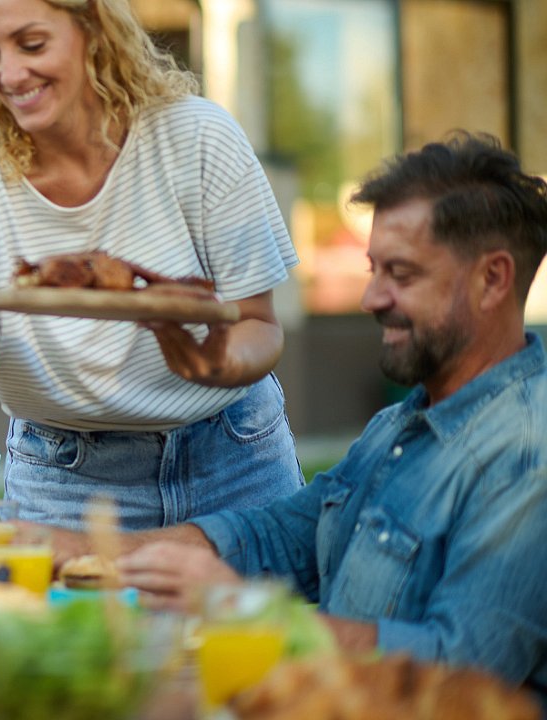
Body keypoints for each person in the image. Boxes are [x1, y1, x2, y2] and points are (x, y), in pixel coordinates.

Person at [114, 133, 547, 704]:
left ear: (492, 279)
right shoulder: (401, 424)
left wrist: (239, 608)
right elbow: (281, 536)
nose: (371, 298)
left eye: (401, 274)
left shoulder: (527, 453)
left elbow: (460, 669)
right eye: (374, 270)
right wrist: (93, 552)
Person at [0, 0, 302, 541]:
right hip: (66, 481)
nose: (10, 74)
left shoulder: (196, 138)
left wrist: (219, 365)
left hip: (235, 457)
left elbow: (257, 322)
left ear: (94, 29)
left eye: (32, 44)